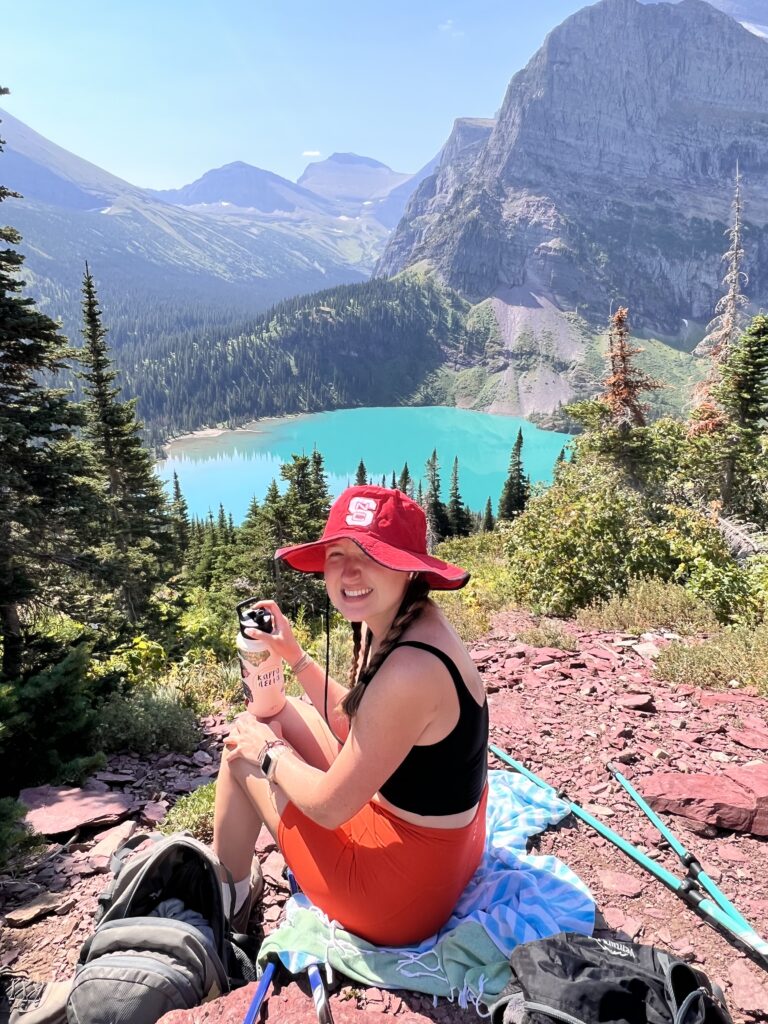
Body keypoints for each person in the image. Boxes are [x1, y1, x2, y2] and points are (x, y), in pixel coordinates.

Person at [213, 484, 489, 947]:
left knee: (243, 746)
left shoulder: (409, 671)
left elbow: (330, 807)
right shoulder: (410, 620)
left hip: (398, 898)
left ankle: (229, 901)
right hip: (438, 853)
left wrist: (270, 756)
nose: (350, 570)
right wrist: (295, 656)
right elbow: (359, 725)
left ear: (408, 569)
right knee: (286, 710)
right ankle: (234, 882)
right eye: (338, 553)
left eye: (372, 555)